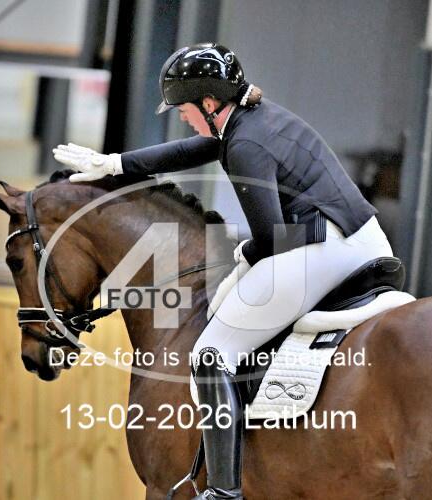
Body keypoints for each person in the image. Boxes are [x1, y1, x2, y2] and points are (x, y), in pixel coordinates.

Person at [54, 43, 393, 500]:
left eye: (184, 109)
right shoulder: (252, 118)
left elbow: (270, 240)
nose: (182, 117)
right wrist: (114, 164)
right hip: (360, 239)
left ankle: (223, 490)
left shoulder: (247, 144)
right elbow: (194, 149)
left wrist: (239, 252)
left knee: (210, 353)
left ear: (210, 103)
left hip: (323, 249)